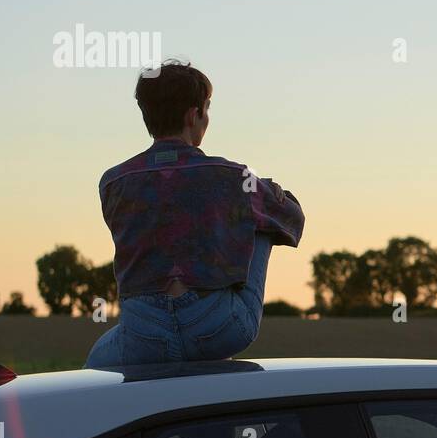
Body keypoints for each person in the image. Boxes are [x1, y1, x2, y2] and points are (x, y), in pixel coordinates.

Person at [85, 59, 304, 368]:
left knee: (95, 363)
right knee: (263, 219)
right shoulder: (231, 176)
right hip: (220, 329)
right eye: (207, 109)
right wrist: (269, 192)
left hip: (143, 335)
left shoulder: (113, 182)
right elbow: (292, 218)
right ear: (193, 115)